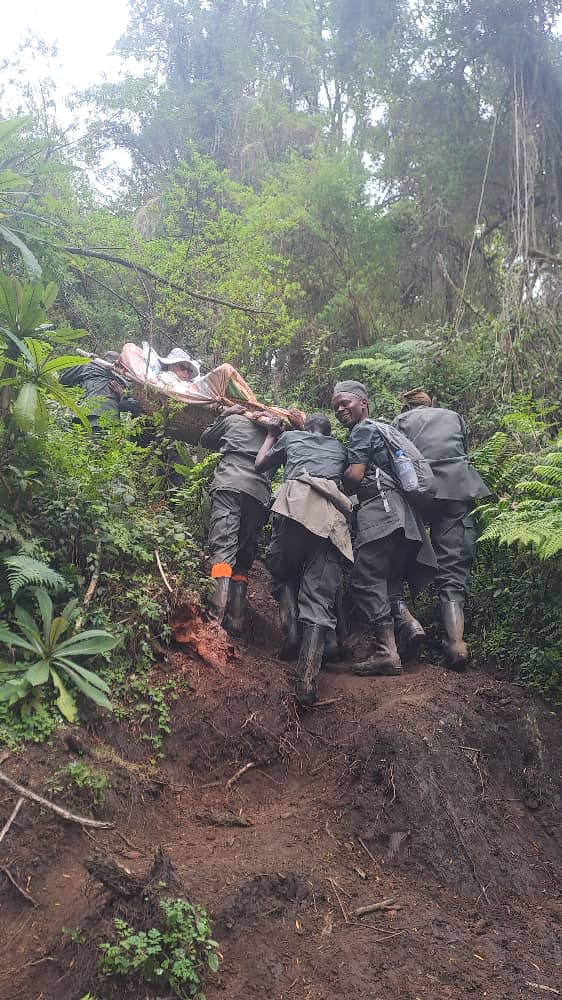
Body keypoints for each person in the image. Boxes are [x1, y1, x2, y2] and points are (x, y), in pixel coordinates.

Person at [332, 380, 437, 676]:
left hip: (381, 511)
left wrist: (339, 481)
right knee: (388, 582)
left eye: (345, 403)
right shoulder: (382, 429)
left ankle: (386, 652)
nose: (340, 409)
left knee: (365, 579)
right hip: (404, 516)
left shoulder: (363, 430)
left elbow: (355, 475)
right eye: (335, 406)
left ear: (363, 403)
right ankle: (409, 624)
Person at [255, 413, 352, 706]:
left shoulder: (291, 438)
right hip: (329, 518)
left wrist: (272, 434)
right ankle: (307, 683)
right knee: (319, 597)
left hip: (293, 509)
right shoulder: (340, 449)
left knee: (281, 570)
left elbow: (259, 465)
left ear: (306, 428)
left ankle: (291, 633)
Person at [393, 388, 490, 669]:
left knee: (398, 552)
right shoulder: (455, 417)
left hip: (420, 492)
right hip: (458, 489)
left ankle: (407, 620)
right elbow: (464, 450)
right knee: (453, 570)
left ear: (406, 407)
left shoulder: (401, 423)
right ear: (431, 404)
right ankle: (457, 644)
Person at [199, 405, 272, 635]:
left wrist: (225, 414)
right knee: (243, 555)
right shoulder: (277, 431)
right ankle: (236, 619)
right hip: (259, 493)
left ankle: (214, 617)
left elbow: (207, 439)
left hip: (230, 483)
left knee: (223, 548)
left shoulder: (234, 421)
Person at [59, 351, 141, 434]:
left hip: (92, 417)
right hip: (105, 420)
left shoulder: (90, 365)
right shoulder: (124, 380)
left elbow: (63, 380)